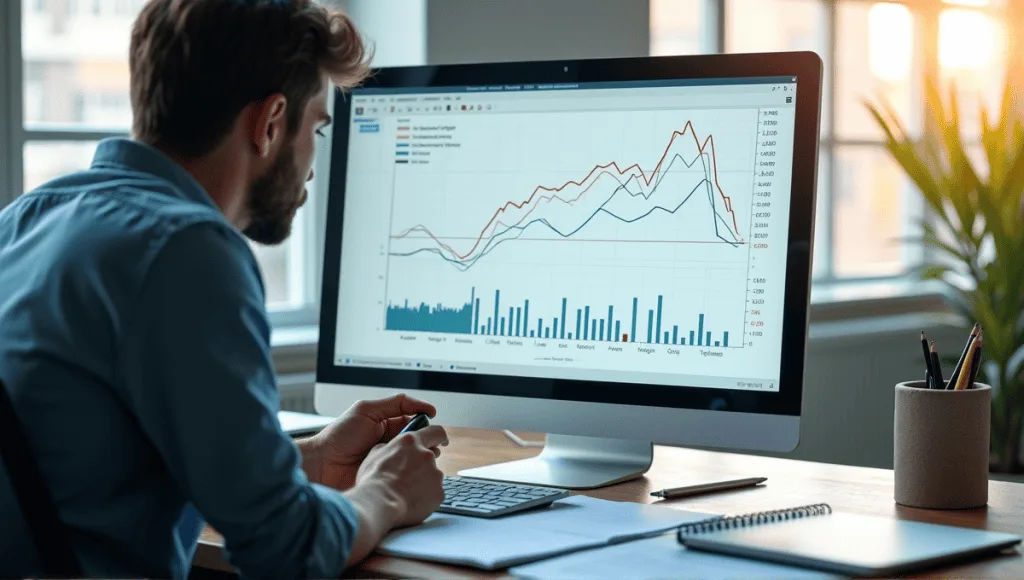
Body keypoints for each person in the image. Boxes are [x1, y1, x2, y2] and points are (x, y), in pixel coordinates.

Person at [0, 1, 447, 578]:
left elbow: (98, 461)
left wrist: (308, 458)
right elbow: (286, 550)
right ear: (269, 123)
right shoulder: (187, 251)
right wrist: (386, 493)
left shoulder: (27, 218)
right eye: (316, 126)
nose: (313, 162)